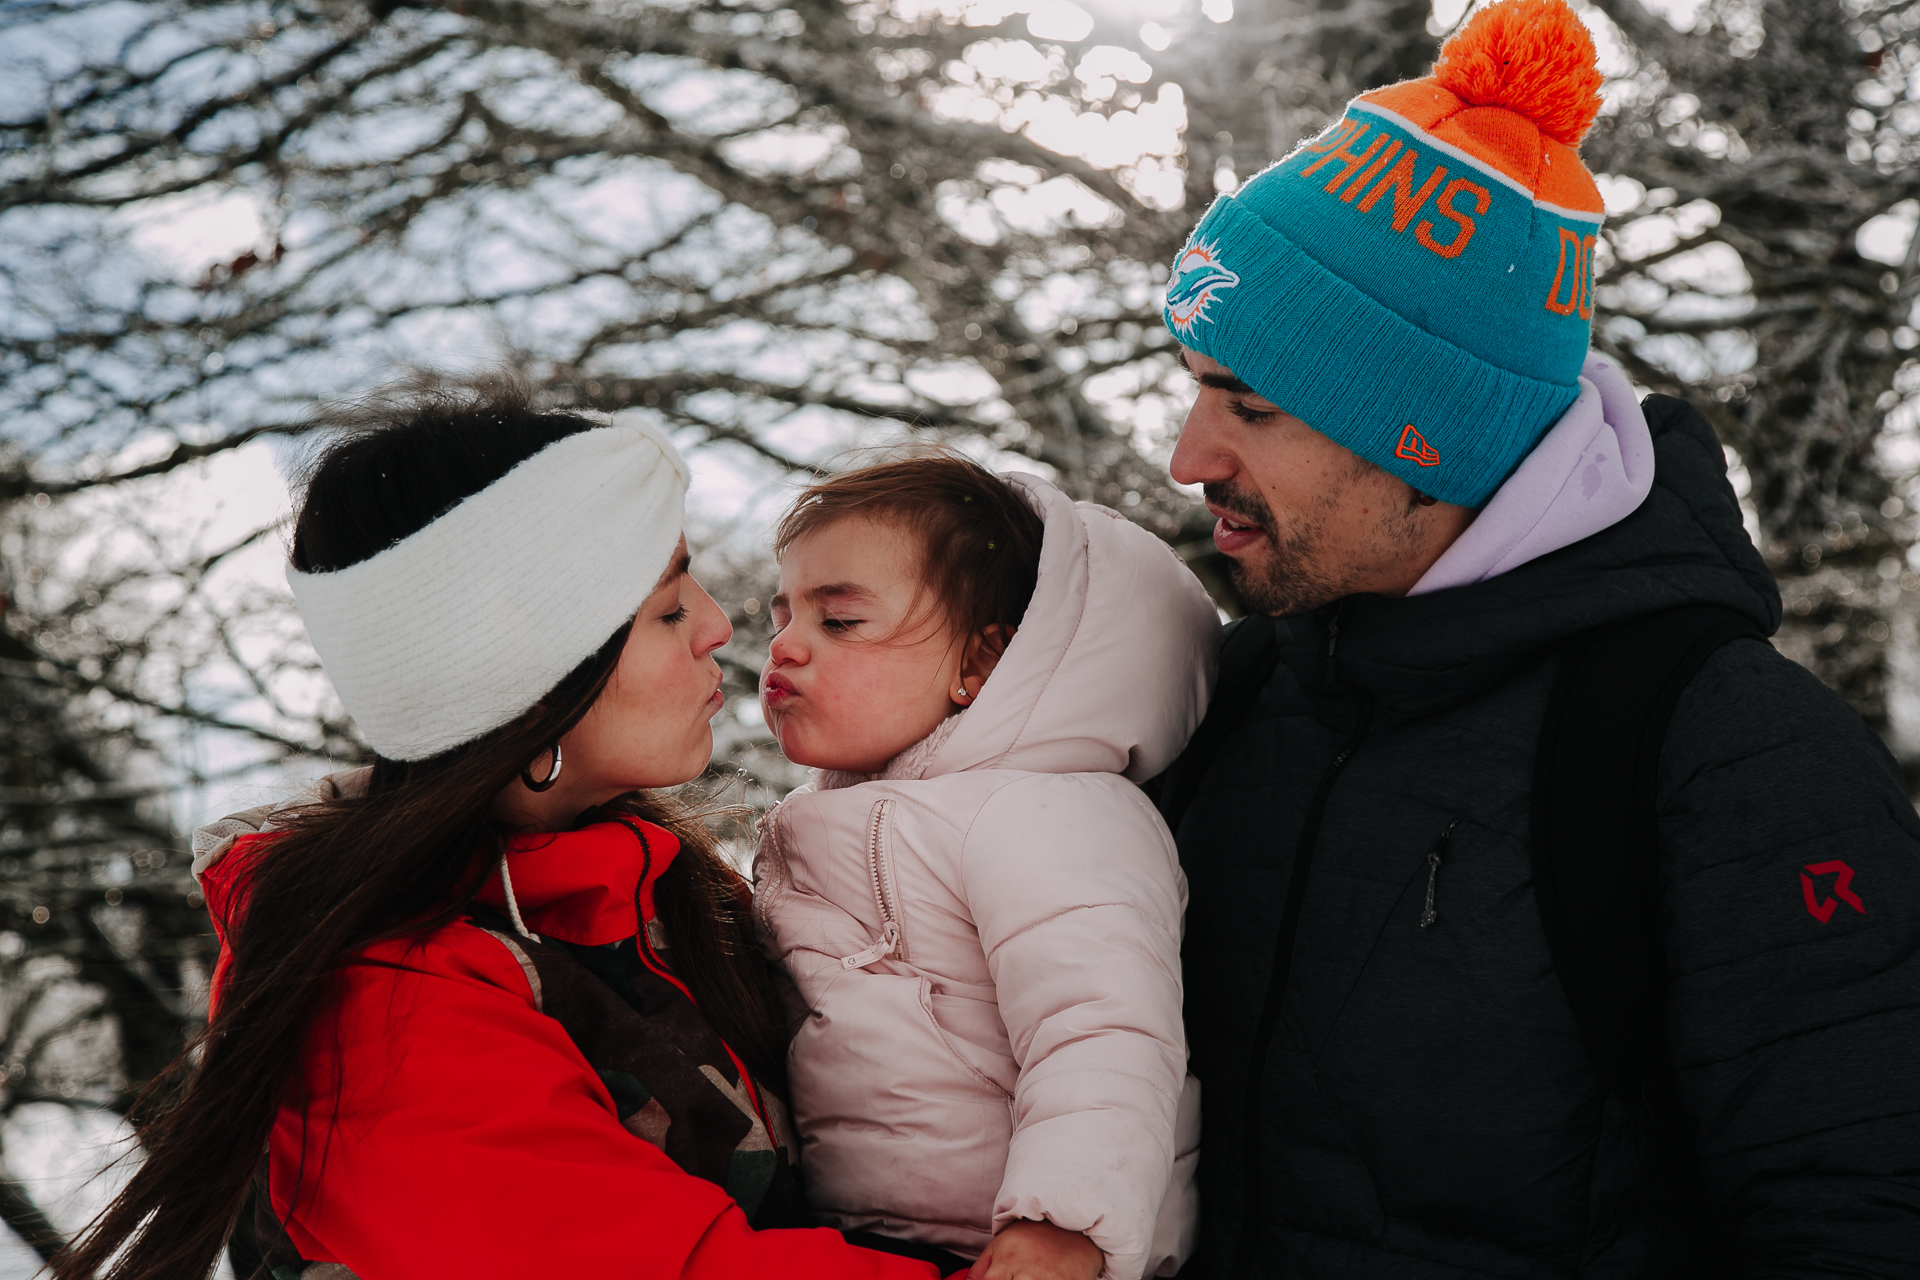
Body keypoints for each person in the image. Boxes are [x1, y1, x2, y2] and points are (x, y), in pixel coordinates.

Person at [1150, 0, 1920, 1276]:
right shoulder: (1233, 696)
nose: (1190, 458)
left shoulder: (1727, 756)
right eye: (1192, 385)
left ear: (1425, 440)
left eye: (1251, 404)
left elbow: (1860, 1205)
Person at [55, 383, 972, 1280]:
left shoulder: (655, 892)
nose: (719, 627)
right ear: (527, 688)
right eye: (665, 607)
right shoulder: (386, 1006)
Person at [753, 453, 1217, 1280]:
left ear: (979, 664)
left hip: (1026, 1246)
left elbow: (1102, 1025)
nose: (785, 648)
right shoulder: (827, 817)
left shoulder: (1044, 809)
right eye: (780, 616)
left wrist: (1063, 1222)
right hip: (874, 1242)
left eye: (841, 622)